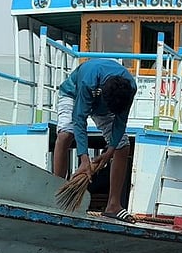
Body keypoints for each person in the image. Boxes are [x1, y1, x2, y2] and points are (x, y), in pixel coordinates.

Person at [52, 58, 138, 222]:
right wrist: (84, 159)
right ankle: (56, 193)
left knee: (123, 146)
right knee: (65, 135)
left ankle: (113, 205)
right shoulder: (89, 79)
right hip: (73, 94)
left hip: (106, 105)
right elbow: (79, 119)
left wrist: (109, 151)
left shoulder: (129, 88)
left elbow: (120, 121)